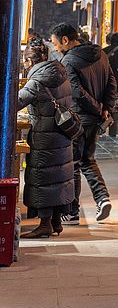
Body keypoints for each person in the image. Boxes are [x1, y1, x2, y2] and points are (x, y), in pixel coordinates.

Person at [50, 22, 117, 224]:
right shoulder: (101, 54)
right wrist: (105, 109)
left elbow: (77, 92)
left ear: (65, 40)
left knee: (74, 163)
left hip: (79, 117)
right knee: (87, 159)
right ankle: (102, 199)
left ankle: (72, 211)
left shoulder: (68, 61)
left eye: (56, 44)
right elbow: (112, 83)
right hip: (95, 118)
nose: (56, 49)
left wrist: (97, 108)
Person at [18, 39, 75, 239]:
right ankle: (56, 221)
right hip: (62, 134)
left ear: (29, 61)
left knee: (43, 178)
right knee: (58, 177)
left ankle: (44, 224)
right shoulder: (60, 74)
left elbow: (16, 101)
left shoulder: (37, 80)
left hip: (45, 137)